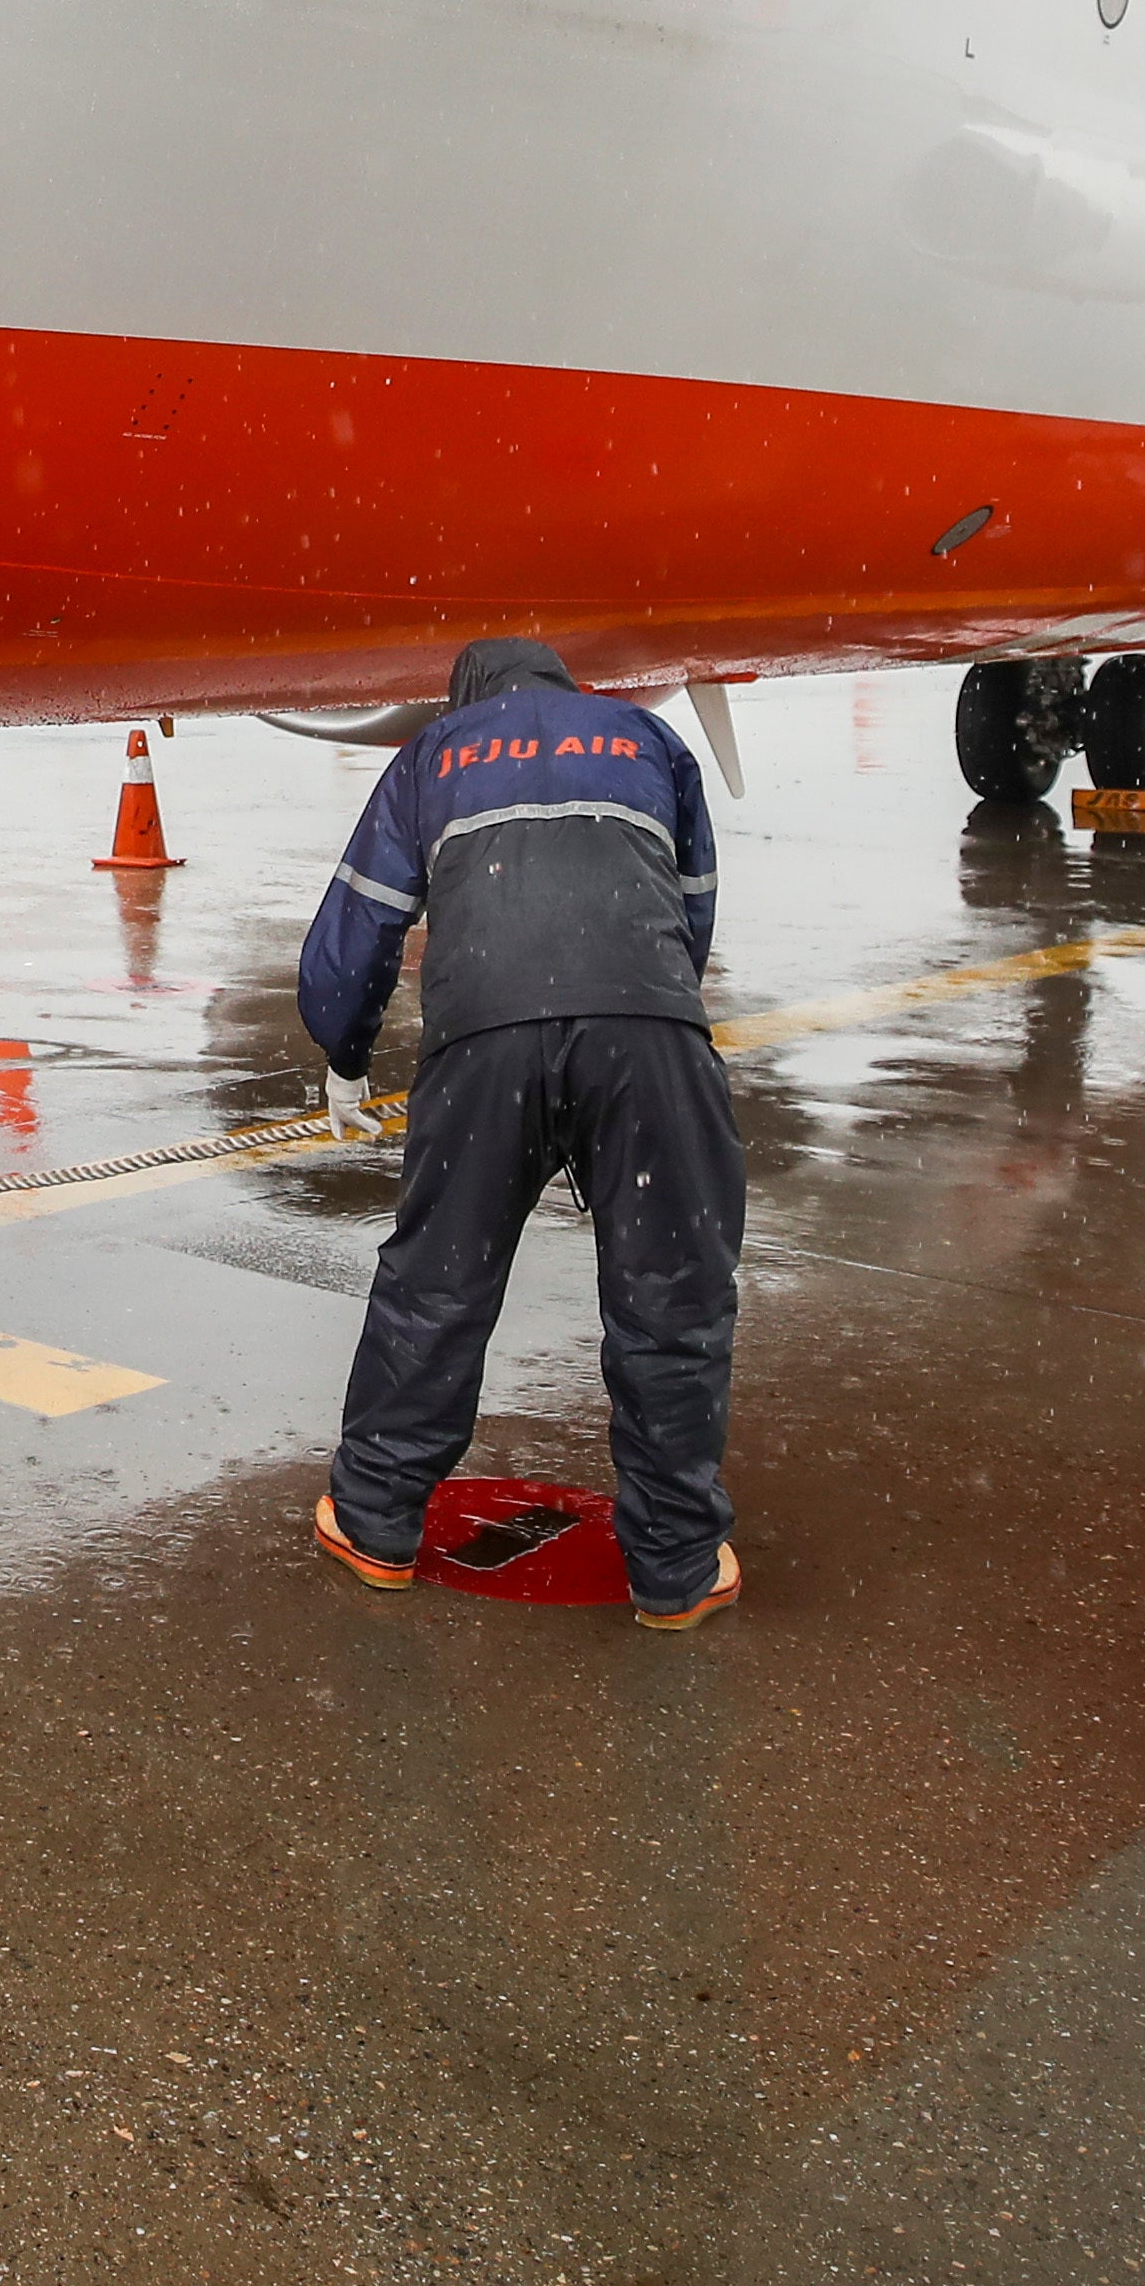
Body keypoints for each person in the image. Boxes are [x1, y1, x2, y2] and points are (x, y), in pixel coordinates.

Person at [295, 637, 744, 1629]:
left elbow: (363, 917)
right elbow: (694, 909)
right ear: (562, 684)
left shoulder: (433, 755)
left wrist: (344, 1051)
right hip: (646, 1025)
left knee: (437, 1285)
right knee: (672, 1291)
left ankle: (373, 1524)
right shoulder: (647, 739)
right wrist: (644, 1021)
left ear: (465, 698)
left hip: (484, 1036)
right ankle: (675, 1570)